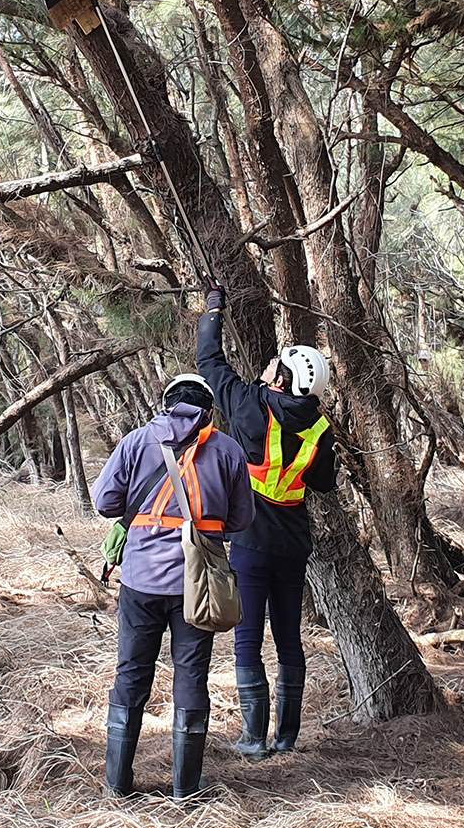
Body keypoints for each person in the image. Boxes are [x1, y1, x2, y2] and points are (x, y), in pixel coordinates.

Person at [92, 372, 255, 799]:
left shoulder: (136, 441)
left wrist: (143, 512)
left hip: (142, 579)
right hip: (197, 583)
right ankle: (186, 788)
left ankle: (117, 784)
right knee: (191, 676)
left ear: (166, 404)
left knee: (131, 673)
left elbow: (104, 501)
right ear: (209, 410)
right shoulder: (227, 450)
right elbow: (242, 520)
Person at [196, 285, 336, 759]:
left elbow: (210, 364)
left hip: (252, 540)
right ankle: (287, 735)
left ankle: (254, 739)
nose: (270, 365)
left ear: (283, 378)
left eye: (278, 363)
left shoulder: (253, 405)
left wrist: (214, 309)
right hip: (294, 542)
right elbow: (324, 483)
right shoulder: (319, 427)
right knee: (289, 638)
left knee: (248, 637)